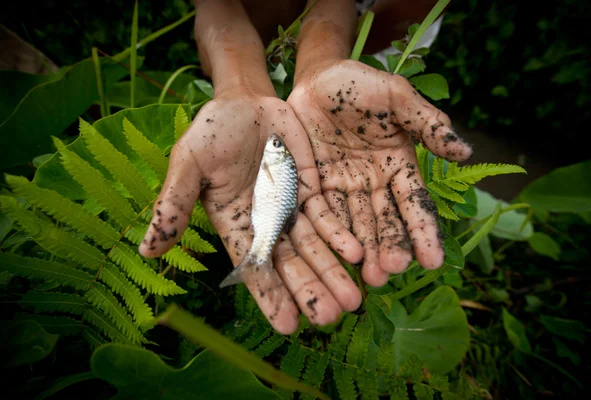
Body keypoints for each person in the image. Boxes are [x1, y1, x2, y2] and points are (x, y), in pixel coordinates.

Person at [138, 0, 472, 334]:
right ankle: (259, 259)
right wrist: (239, 87)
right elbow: (219, 11)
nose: (275, 144)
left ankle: (258, 259)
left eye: (276, 146)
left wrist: (320, 65)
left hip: (369, 32)